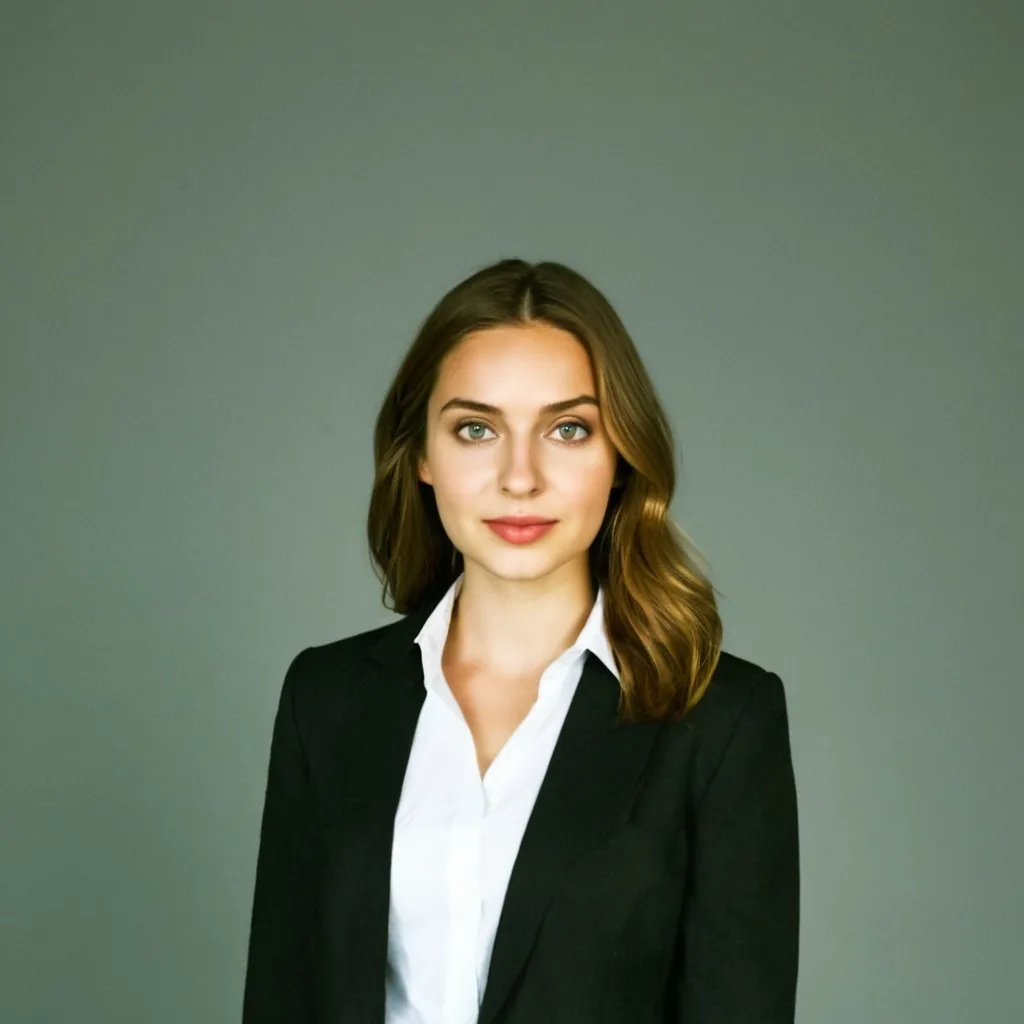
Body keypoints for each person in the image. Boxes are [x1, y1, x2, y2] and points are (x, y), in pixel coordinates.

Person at [241, 258, 800, 1023]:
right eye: (476, 429)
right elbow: (282, 997)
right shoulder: (326, 698)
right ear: (423, 458)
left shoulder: (723, 722)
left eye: (568, 429)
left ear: (621, 458)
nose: (520, 476)